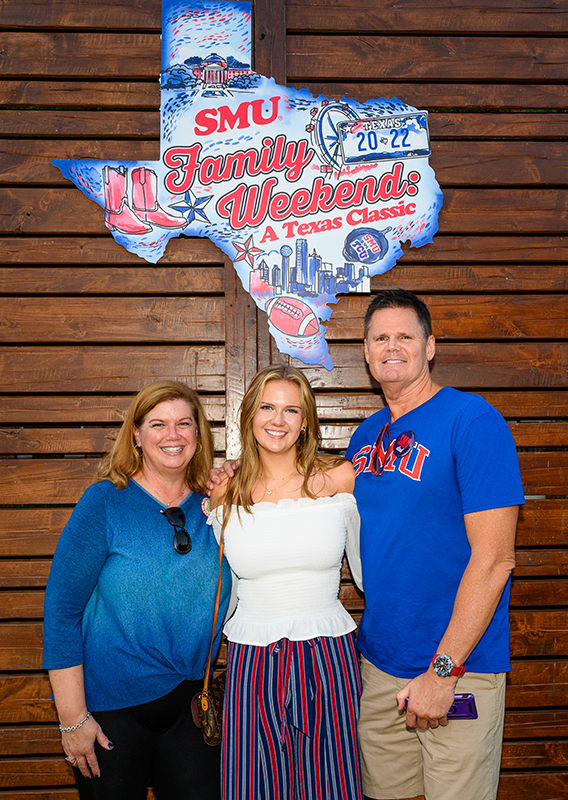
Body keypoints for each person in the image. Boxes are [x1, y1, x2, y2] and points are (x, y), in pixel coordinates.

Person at [345, 289, 525, 800]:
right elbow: (303, 484)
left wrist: (442, 671)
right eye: (381, 337)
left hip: (456, 669)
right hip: (381, 667)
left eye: (406, 335)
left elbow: (495, 561)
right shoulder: (366, 436)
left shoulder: (472, 421)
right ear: (366, 350)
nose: (392, 346)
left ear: (430, 347)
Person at [43, 380, 231, 800]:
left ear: (199, 435)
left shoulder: (217, 506)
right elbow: (61, 611)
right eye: (158, 424)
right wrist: (72, 720)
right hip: (110, 710)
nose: (172, 434)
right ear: (137, 435)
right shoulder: (105, 503)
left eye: (185, 423)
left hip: (189, 705)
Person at [208, 365, 364, 800]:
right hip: (250, 658)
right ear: (249, 416)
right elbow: (213, 580)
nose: (278, 420)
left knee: (331, 784)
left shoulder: (338, 479)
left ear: (306, 420)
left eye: (291, 410)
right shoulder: (227, 491)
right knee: (252, 787)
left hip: (327, 653)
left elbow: (377, 565)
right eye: (267, 407)